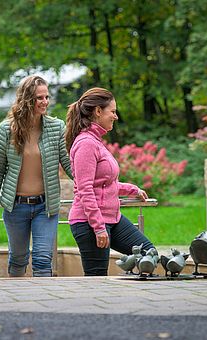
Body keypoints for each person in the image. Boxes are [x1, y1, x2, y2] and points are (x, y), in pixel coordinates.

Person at [0, 75, 72, 277]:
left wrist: (90, 183)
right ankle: (18, 303)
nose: (45, 102)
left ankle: (43, 305)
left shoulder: (56, 127)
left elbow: (67, 163)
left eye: (46, 97)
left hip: (45, 206)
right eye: (39, 98)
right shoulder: (7, 129)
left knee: (43, 259)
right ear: (26, 99)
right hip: (16, 207)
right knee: (18, 258)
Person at [65, 87, 157, 276]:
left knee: (149, 253)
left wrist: (131, 189)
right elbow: (85, 189)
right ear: (98, 111)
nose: (116, 116)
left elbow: (104, 183)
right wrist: (98, 228)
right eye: (113, 112)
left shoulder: (96, 141)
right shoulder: (86, 144)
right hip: (89, 222)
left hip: (112, 218)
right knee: (97, 278)